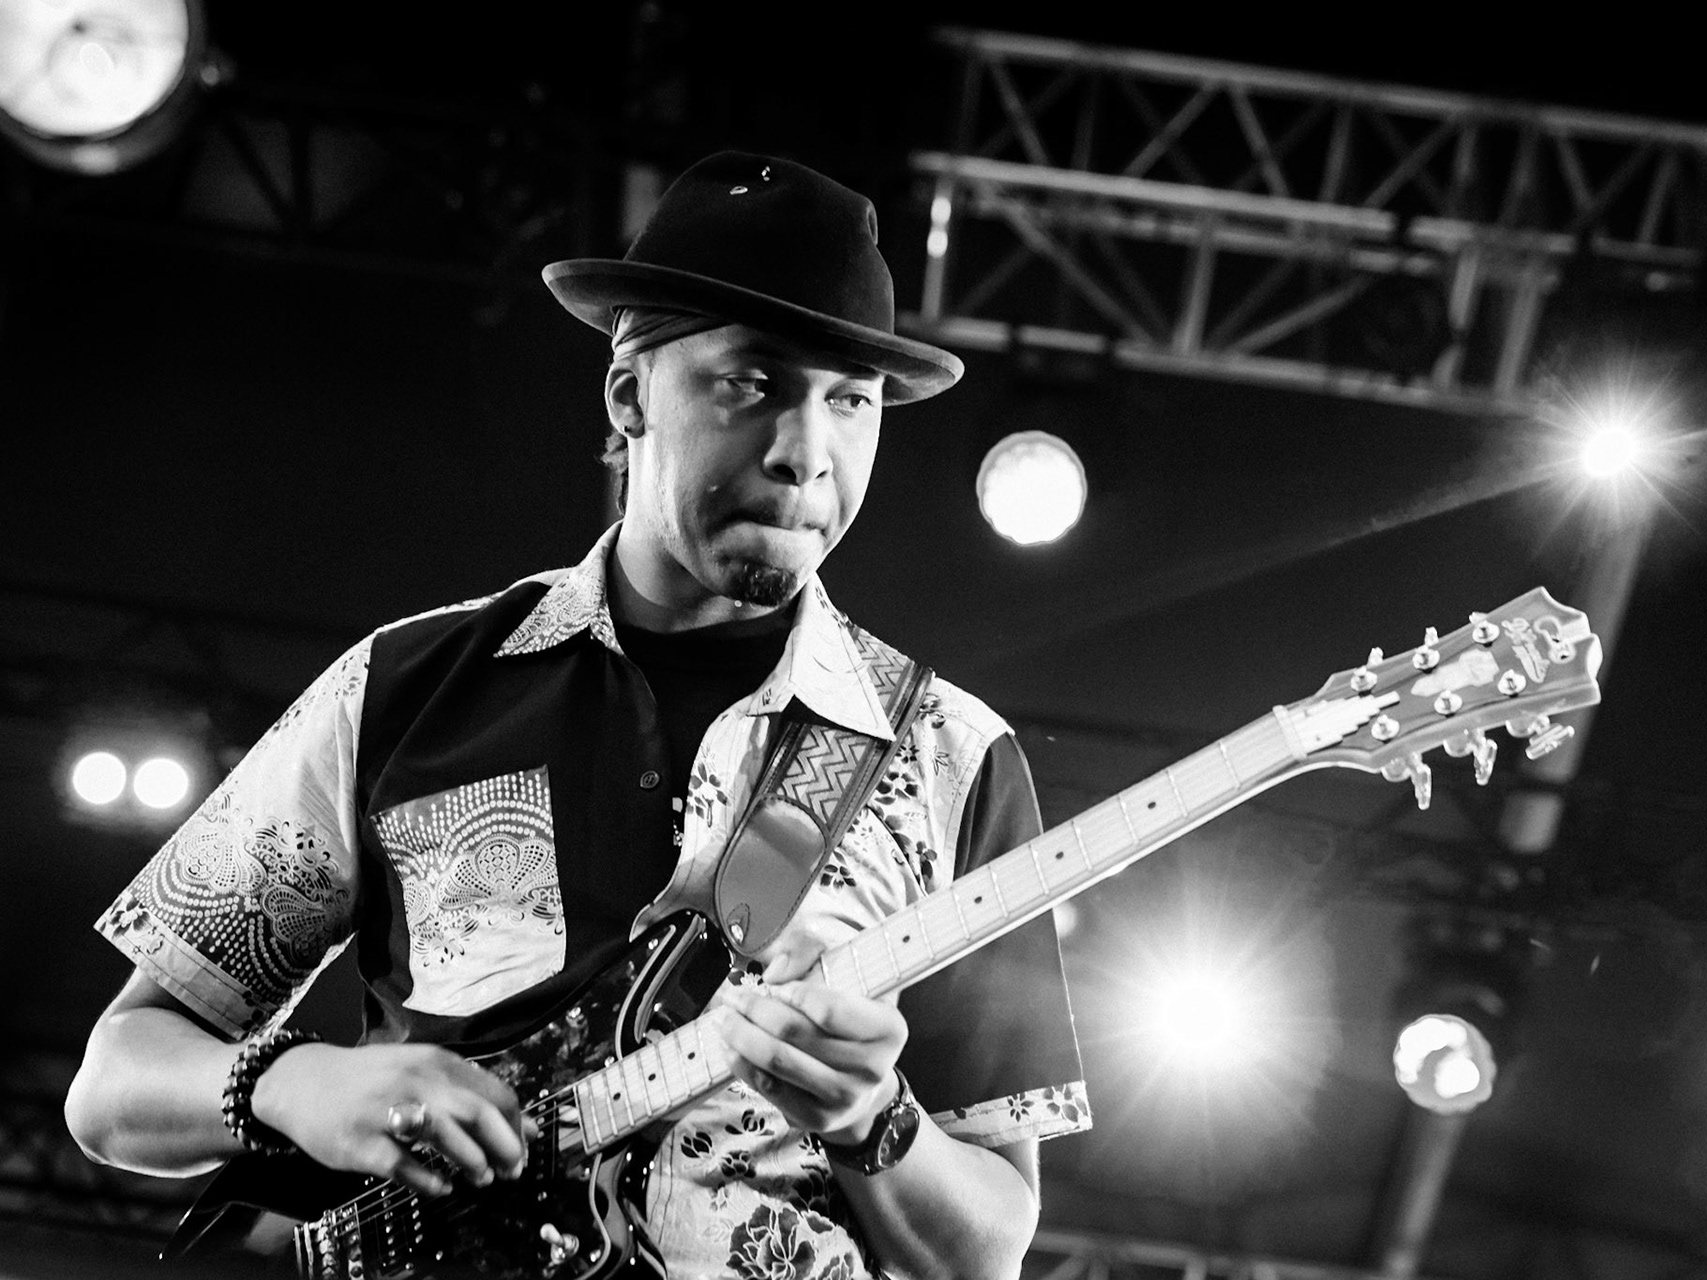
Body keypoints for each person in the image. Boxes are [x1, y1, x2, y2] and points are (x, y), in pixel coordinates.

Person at [65, 151, 1089, 1280]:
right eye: (753, 382)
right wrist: (304, 1084)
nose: (808, 452)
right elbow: (115, 1080)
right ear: (626, 393)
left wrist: (875, 1120)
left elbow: (989, 1244)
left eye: (849, 399)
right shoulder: (410, 683)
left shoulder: (955, 757)